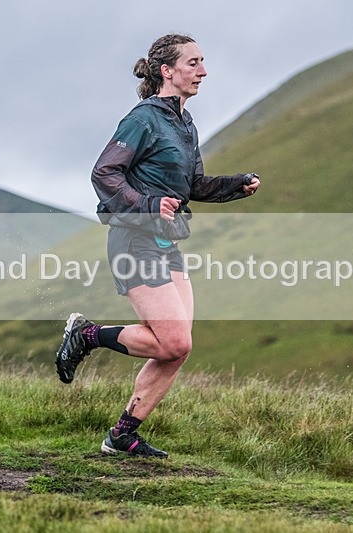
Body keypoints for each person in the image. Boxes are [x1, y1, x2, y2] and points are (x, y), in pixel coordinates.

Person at [55, 33, 260, 458]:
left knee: (176, 349)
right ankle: (86, 335)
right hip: (134, 238)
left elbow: (192, 185)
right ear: (167, 71)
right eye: (193, 63)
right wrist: (148, 204)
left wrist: (234, 185)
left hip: (167, 242)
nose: (203, 72)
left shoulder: (184, 123)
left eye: (202, 62)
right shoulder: (143, 119)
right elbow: (104, 172)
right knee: (174, 342)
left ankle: (122, 435)